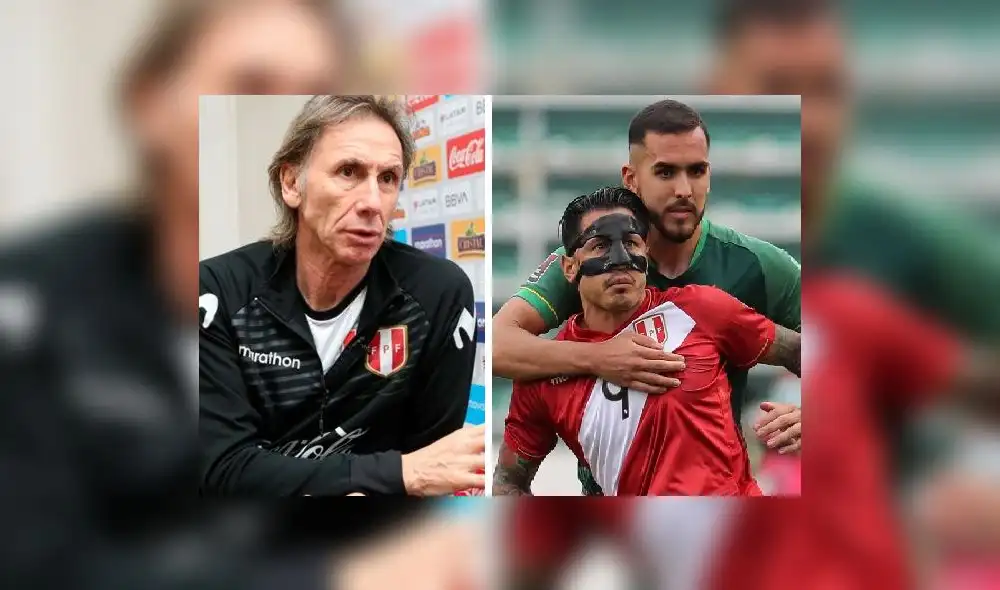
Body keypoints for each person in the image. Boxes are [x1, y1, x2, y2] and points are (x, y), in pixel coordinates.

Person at [493, 98, 802, 496]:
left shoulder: (756, 265)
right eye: (665, 172)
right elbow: (498, 345)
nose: (683, 190)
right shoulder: (580, 262)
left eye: (697, 171)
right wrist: (601, 359)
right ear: (631, 178)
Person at [199, 95, 484, 497]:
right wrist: (395, 473)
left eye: (387, 178)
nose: (372, 202)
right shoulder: (219, 291)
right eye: (348, 172)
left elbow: (435, 469)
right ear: (291, 183)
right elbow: (222, 470)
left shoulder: (436, 293)